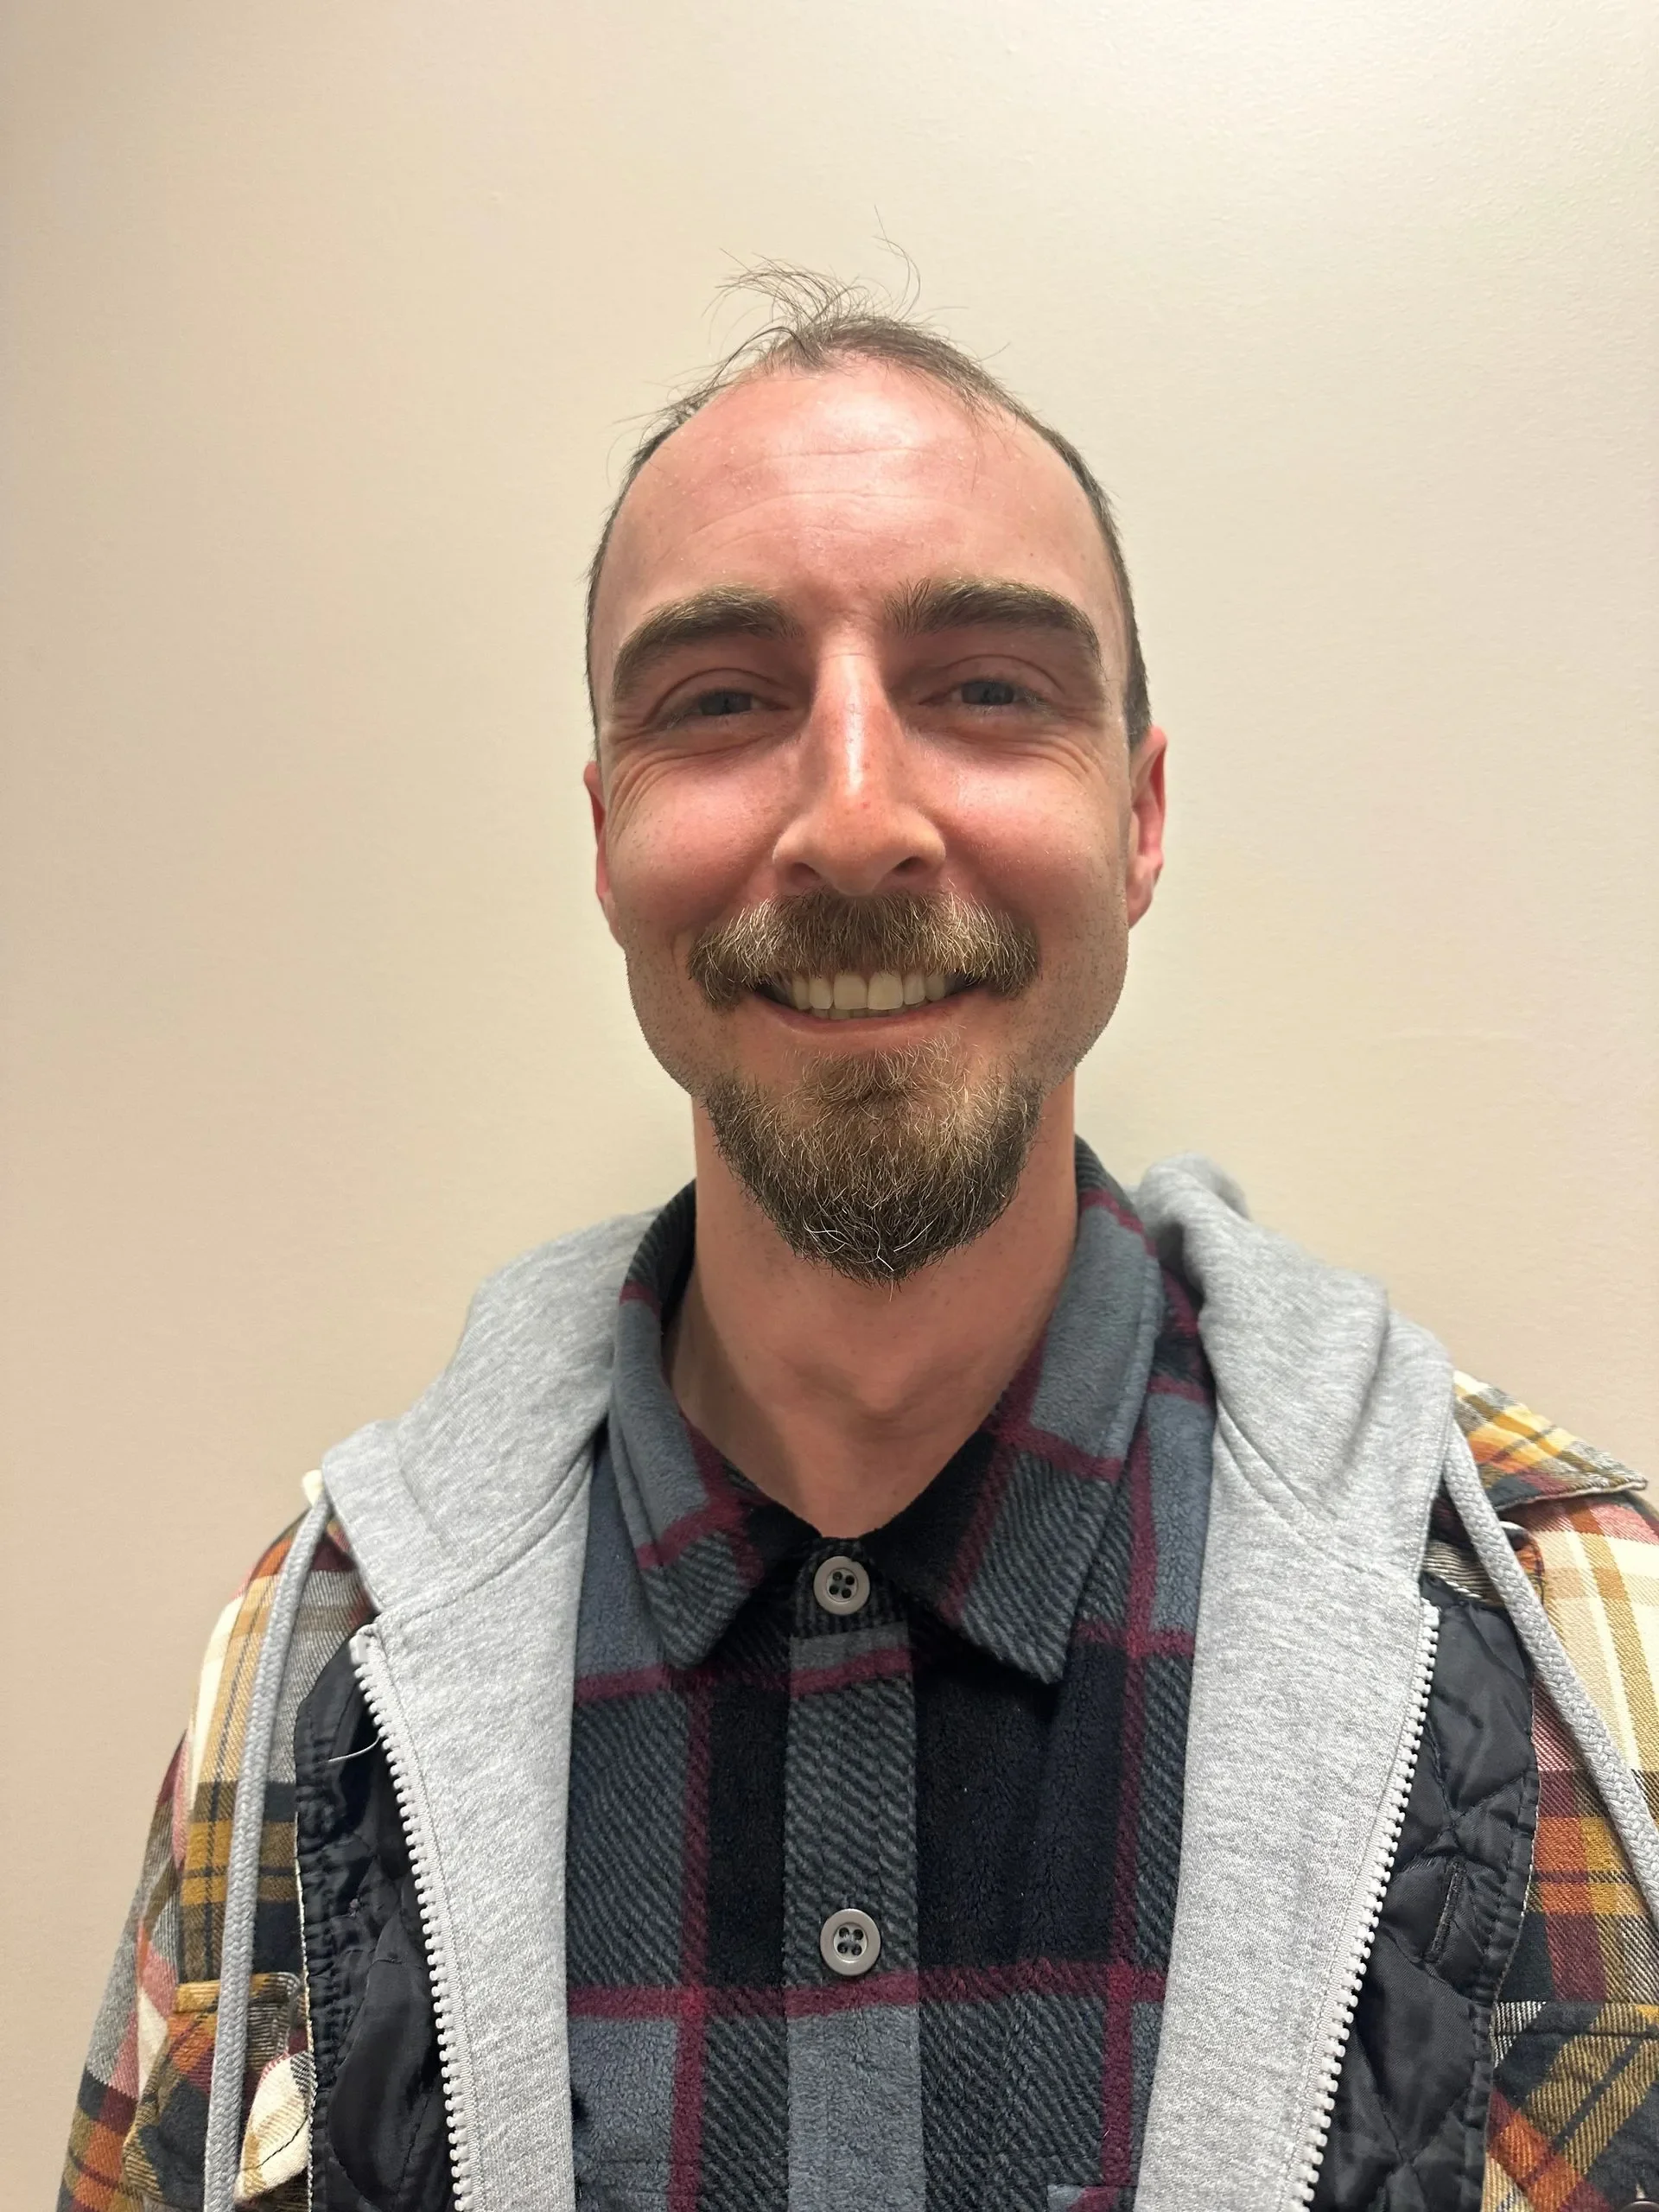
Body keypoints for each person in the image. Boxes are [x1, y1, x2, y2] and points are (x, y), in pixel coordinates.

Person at [62, 270, 1659, 2212]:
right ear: (605, 838)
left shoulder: (1587, 1640)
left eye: (987, 688)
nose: (853, 817)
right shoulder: (312, 1669)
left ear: (1142, 817)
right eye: (723, 702)